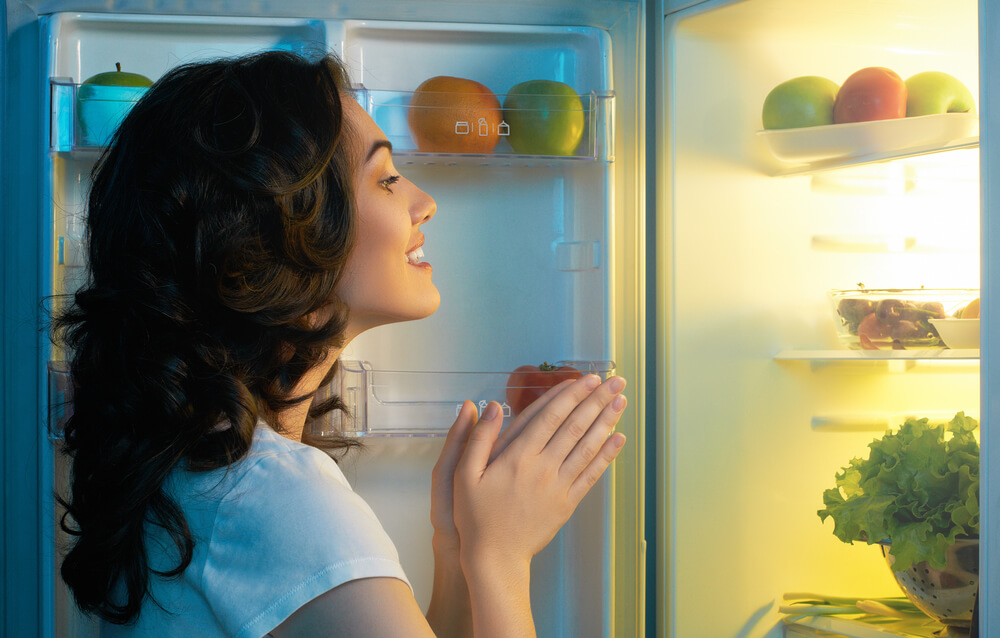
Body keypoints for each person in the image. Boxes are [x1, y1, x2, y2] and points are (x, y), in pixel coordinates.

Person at [53, 50, 627, 638]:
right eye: (385, 179)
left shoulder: (204, 466)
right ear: (279, 234)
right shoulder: (280, 501)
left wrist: (455, 556)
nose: (424, 202)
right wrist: (501, 559)